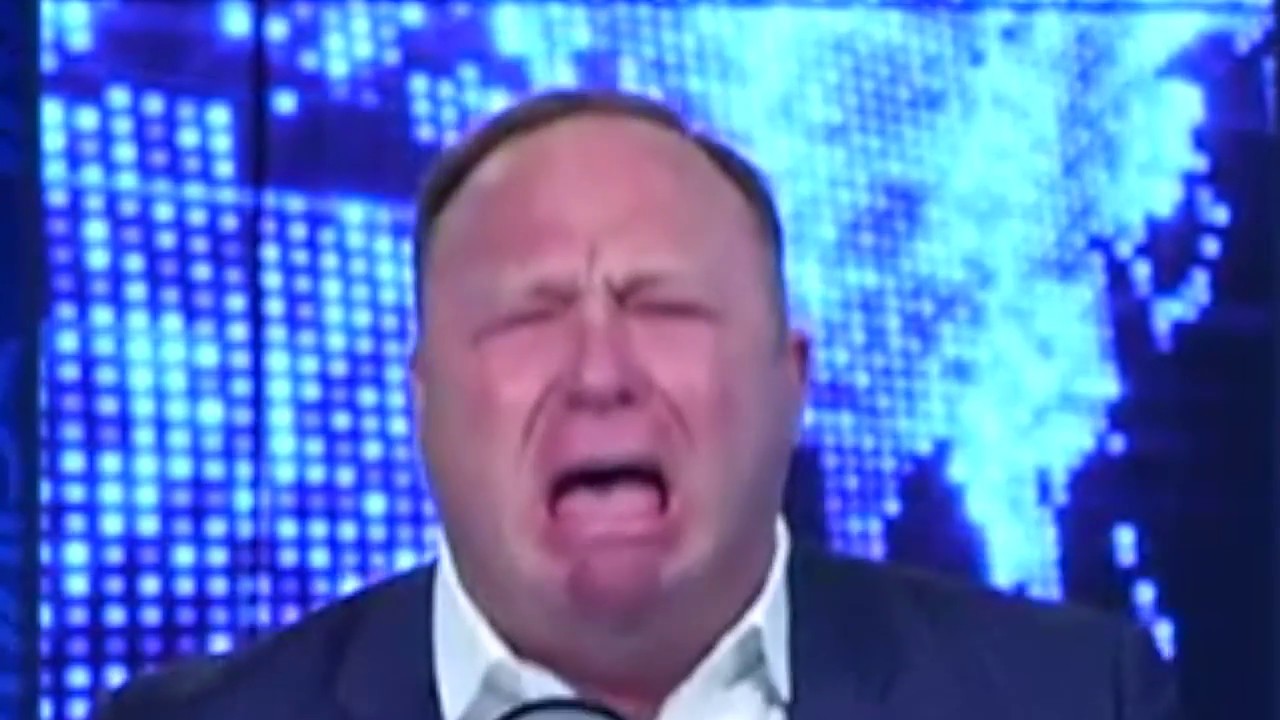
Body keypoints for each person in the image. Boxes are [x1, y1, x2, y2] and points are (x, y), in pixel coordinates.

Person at [96, 89, 1180, 720]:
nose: (599, 371)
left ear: (791, 380)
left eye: (664, 307)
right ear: (420, 403)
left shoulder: (1075, 698)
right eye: (526, 315)